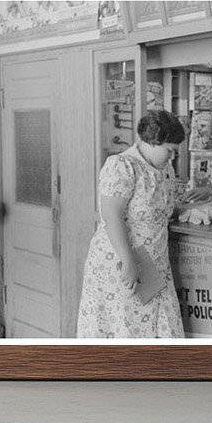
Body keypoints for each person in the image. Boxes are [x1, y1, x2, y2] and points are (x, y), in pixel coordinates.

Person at [76, 110, 186, 339]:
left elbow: (160, 210)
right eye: (169, 150)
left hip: (155, 266)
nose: (172, 156)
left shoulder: (165, 170)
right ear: (151, 142)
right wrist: (128, 261)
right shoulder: (122, 166)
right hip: (121, 263)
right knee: (124, 330)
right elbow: (111, 215)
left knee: (162, 329)